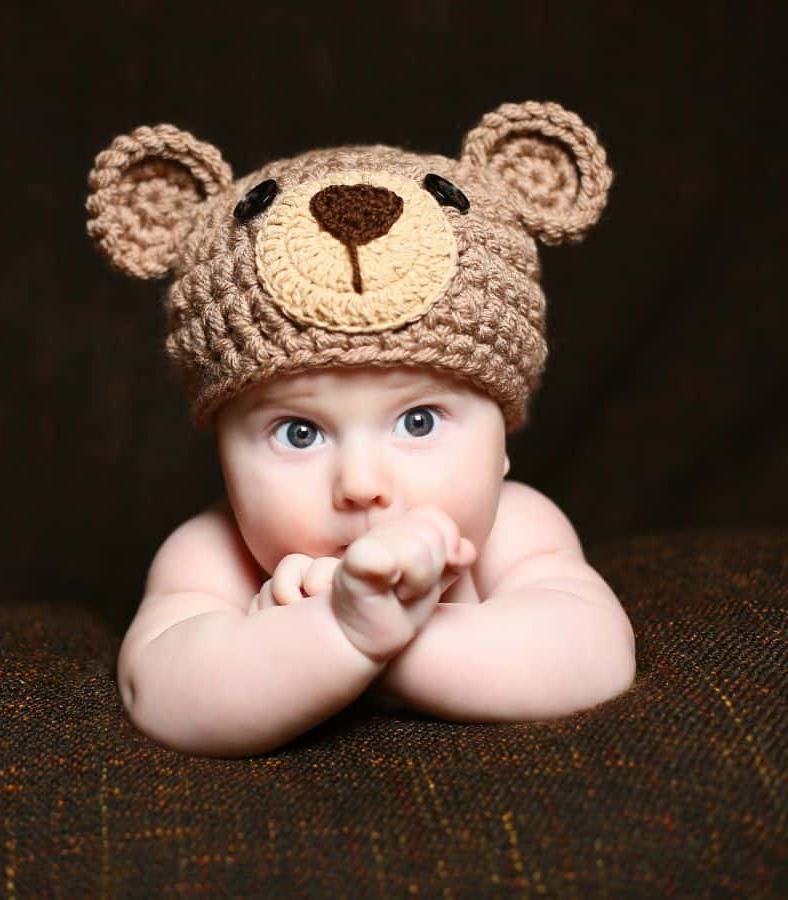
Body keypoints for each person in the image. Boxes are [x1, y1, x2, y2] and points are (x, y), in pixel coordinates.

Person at [86, 101, 636, 758]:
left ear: (501, 443)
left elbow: (593, 655)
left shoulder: (520, 529)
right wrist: (336, 633)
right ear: (222, 452)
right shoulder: (209, 555)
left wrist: (395, 638)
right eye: (298, 433)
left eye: (419, 420)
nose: (361, 484)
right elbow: (163, 695)